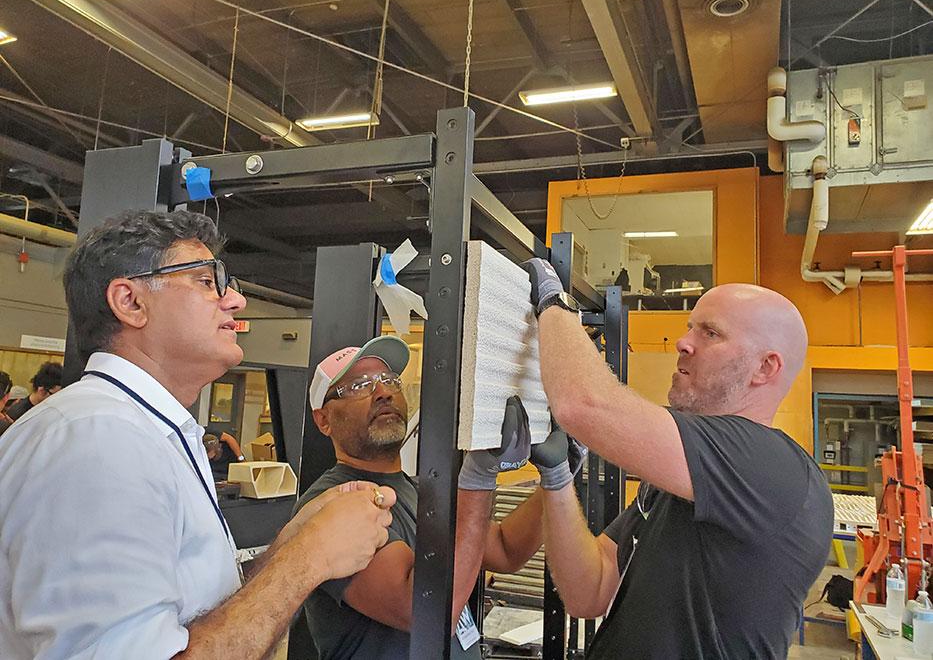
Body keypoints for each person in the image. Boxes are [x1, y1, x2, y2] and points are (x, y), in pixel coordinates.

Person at [0, 209, 394, 660]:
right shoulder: (101, 439)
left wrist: (292, 542)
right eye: (206, 282)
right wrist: (309, 558)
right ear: (129, 302)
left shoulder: (144, 432)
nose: (235, 301)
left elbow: (188, 613)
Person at [522, 258, 833, 659]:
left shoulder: (771, 466)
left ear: (765, 367)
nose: (684, 342)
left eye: (710, 333)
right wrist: (557, 477)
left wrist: (555, 302)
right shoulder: (683, 481)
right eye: (690, 327)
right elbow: (590, 591)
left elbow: (582, 405)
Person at [296, 336, 553, 659]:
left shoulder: (421, 491)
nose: (384, 392)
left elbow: (503, 549)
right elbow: (419, 608)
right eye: (360, 386)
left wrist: (557, 478)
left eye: (390, 381)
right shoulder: (330, 503)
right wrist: (479, 479)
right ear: (324, 420)